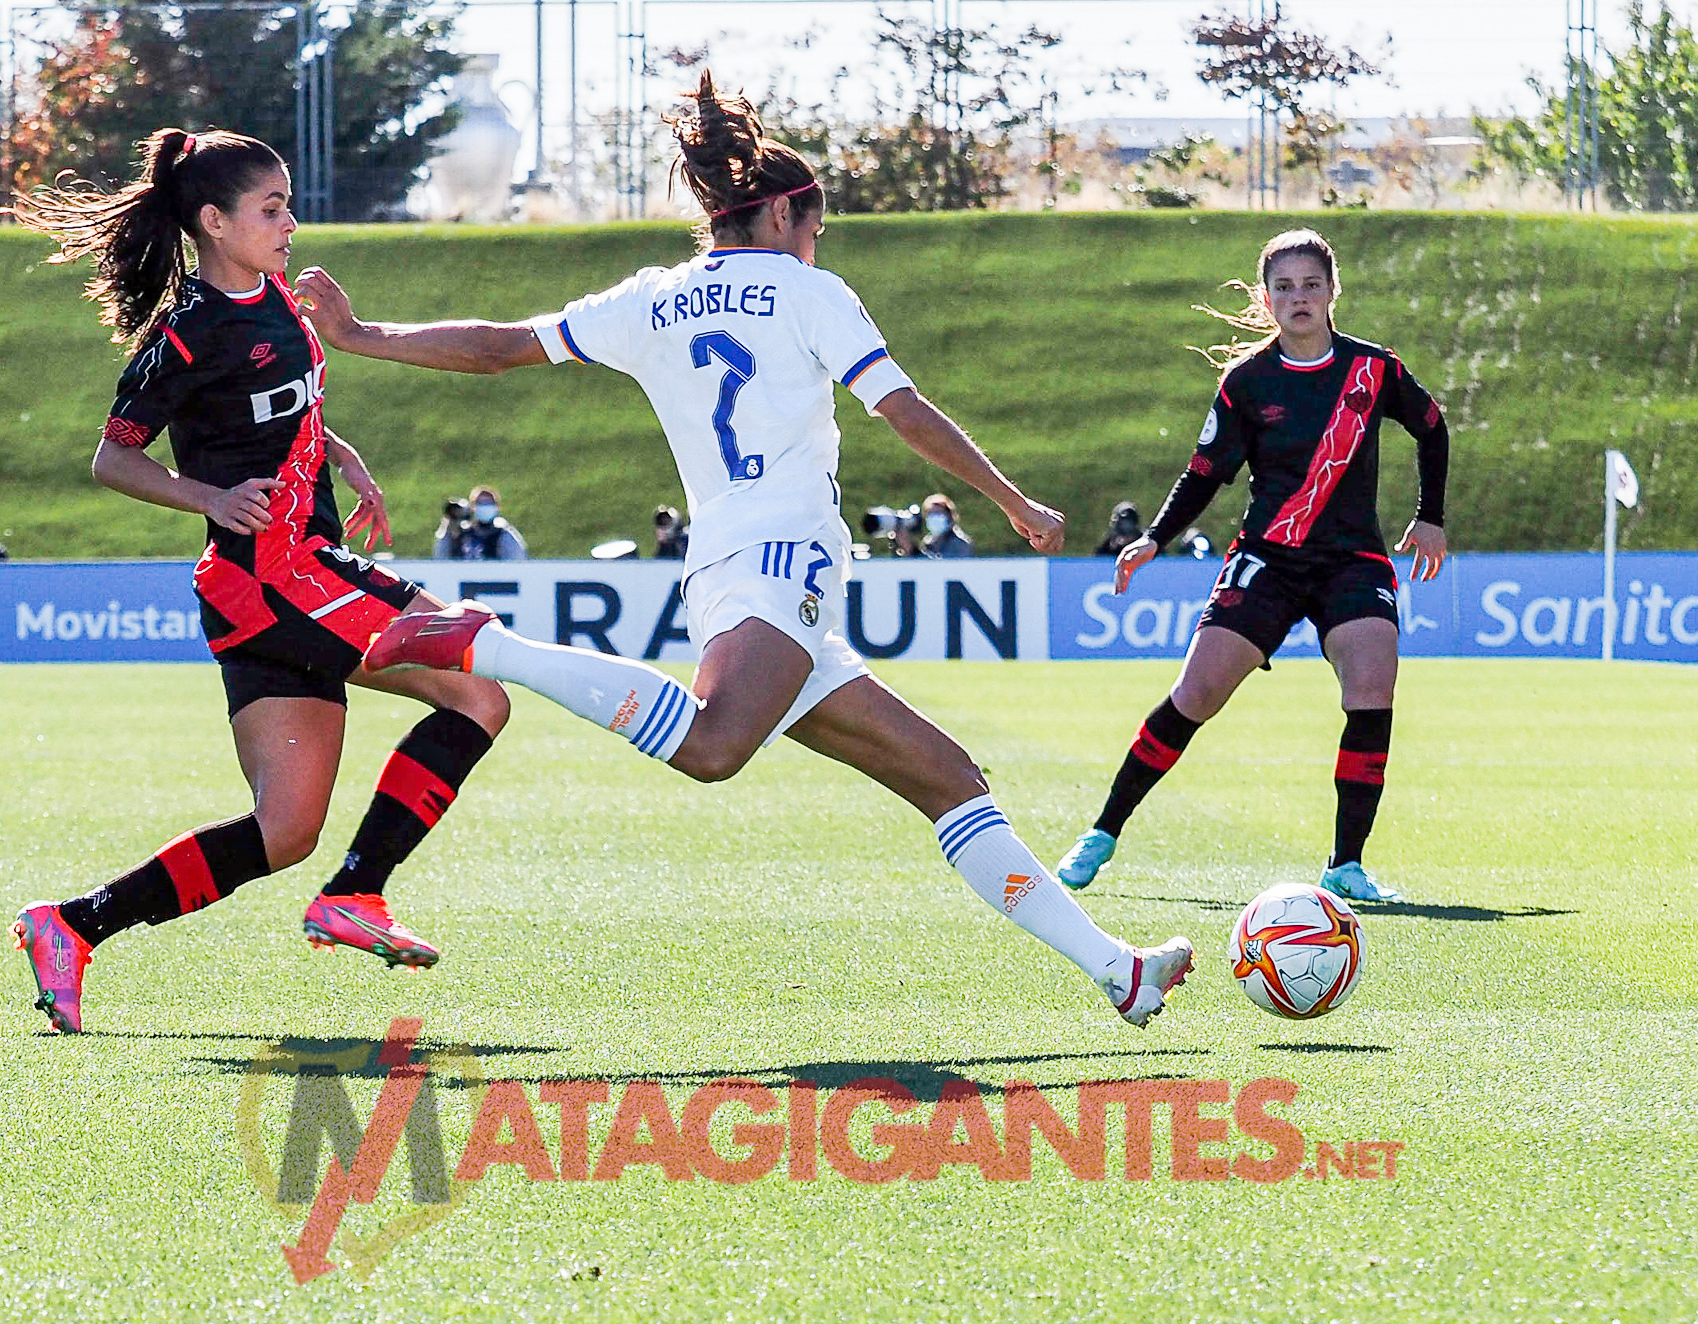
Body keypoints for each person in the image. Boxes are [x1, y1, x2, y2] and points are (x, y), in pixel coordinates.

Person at [293, 73, 1195, 1028]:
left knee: (950, 779)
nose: (815, 243)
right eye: (813, 226)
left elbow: (493, 346)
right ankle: (488, 645)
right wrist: (1013, 500)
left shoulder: (652, 298)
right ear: (775, 216)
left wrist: (359, 335)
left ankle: (1117, 972)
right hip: (778, 559)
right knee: (715, 747)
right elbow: (901, 409)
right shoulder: (810, 293)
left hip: (737, 567)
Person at [4, 127, 511, 1034]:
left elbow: (287, 409)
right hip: (274, 579)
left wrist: (344, 461)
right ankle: (356, 895)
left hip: (290, 579)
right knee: (477, 691)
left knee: (284, 831)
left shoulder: (283, 296)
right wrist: (209, 494)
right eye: (270, 210)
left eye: (287, 206)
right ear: (213, 221)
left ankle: (72, 926)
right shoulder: (186, 334)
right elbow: (113, 460)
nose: (288, 224)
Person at [1054, 228, 1448, 904]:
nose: (1299, 297)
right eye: (1285, 287)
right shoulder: (1247, 382)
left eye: (1311, 285)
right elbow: (1206, 472)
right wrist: (1155, 538)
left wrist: (1432, 516)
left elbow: (1433, 427)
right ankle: (1103, 832)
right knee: (1197, 695)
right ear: (1267, 301)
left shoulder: (1373, 370)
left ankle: (1345, 864)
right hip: (1267, 558)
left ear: (1333, 292)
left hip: (1352, 559)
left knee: (1373, 681)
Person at [459, 486, 528, 560]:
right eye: (480, 503)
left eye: (489, 503)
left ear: (497, 507)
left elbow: (518, 559)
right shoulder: (462, 533)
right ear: (472, 507)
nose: (484, 506)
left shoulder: (505, 535)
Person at [917, 492, 973, 558]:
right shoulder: (927, 542)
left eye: (938, 513)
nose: (934, 517)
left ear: (949, 516)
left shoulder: (960, 544)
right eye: (931, 514)